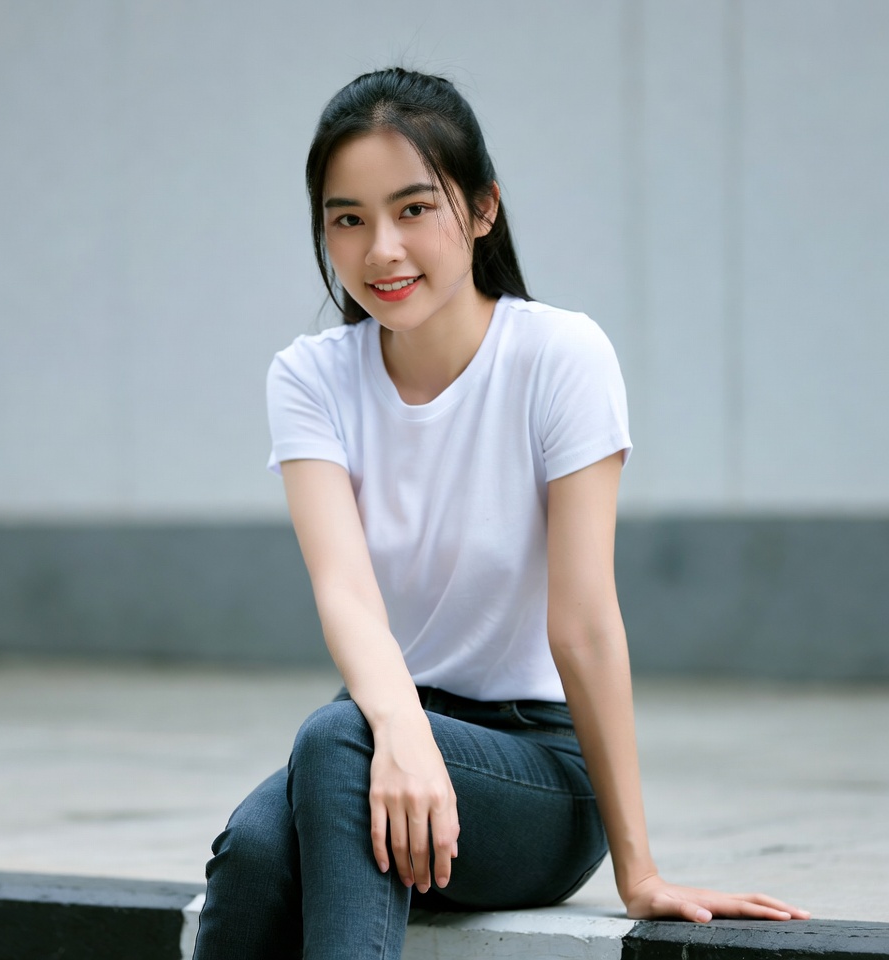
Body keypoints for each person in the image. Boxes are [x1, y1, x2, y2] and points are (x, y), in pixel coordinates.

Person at [192, 67, 808, 960]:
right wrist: (400, 731)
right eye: (348, 219)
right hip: (384, 723)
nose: (381, 251)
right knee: (254, 849)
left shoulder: (559, 356)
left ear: (483, 210)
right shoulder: (309, 377)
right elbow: (345, 593)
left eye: (414, 209)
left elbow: (586, 623)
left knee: (336, 739)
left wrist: (638, 871)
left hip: (538, 773)